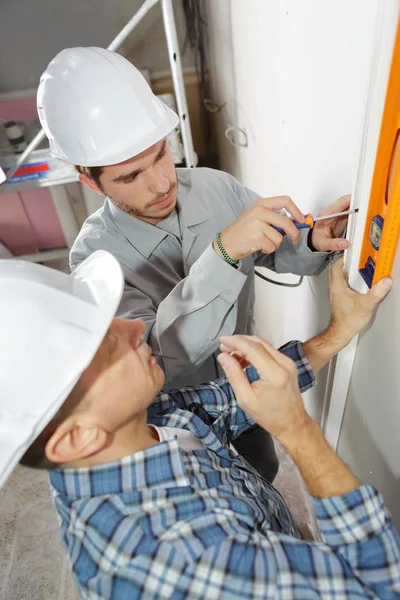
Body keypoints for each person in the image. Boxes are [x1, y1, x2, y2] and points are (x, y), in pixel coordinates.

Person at [0, 251, 398, 599]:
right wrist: (298, 430)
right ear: (77, 437)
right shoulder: (182, 560)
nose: (136, 327)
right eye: (107, 346)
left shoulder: (125, 427)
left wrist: (338, 331)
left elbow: (227, 401)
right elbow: (382, 587)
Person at [37, 46, 351, 482]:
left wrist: (313, 241)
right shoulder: (94, 261)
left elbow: (274, 251)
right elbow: (158, 357)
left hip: (247, 385)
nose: (162, 182)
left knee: (262, 469)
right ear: (88, 179)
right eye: (130, 176)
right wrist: (222, 254)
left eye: (161, 154)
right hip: (173, 416)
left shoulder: (213, 186)